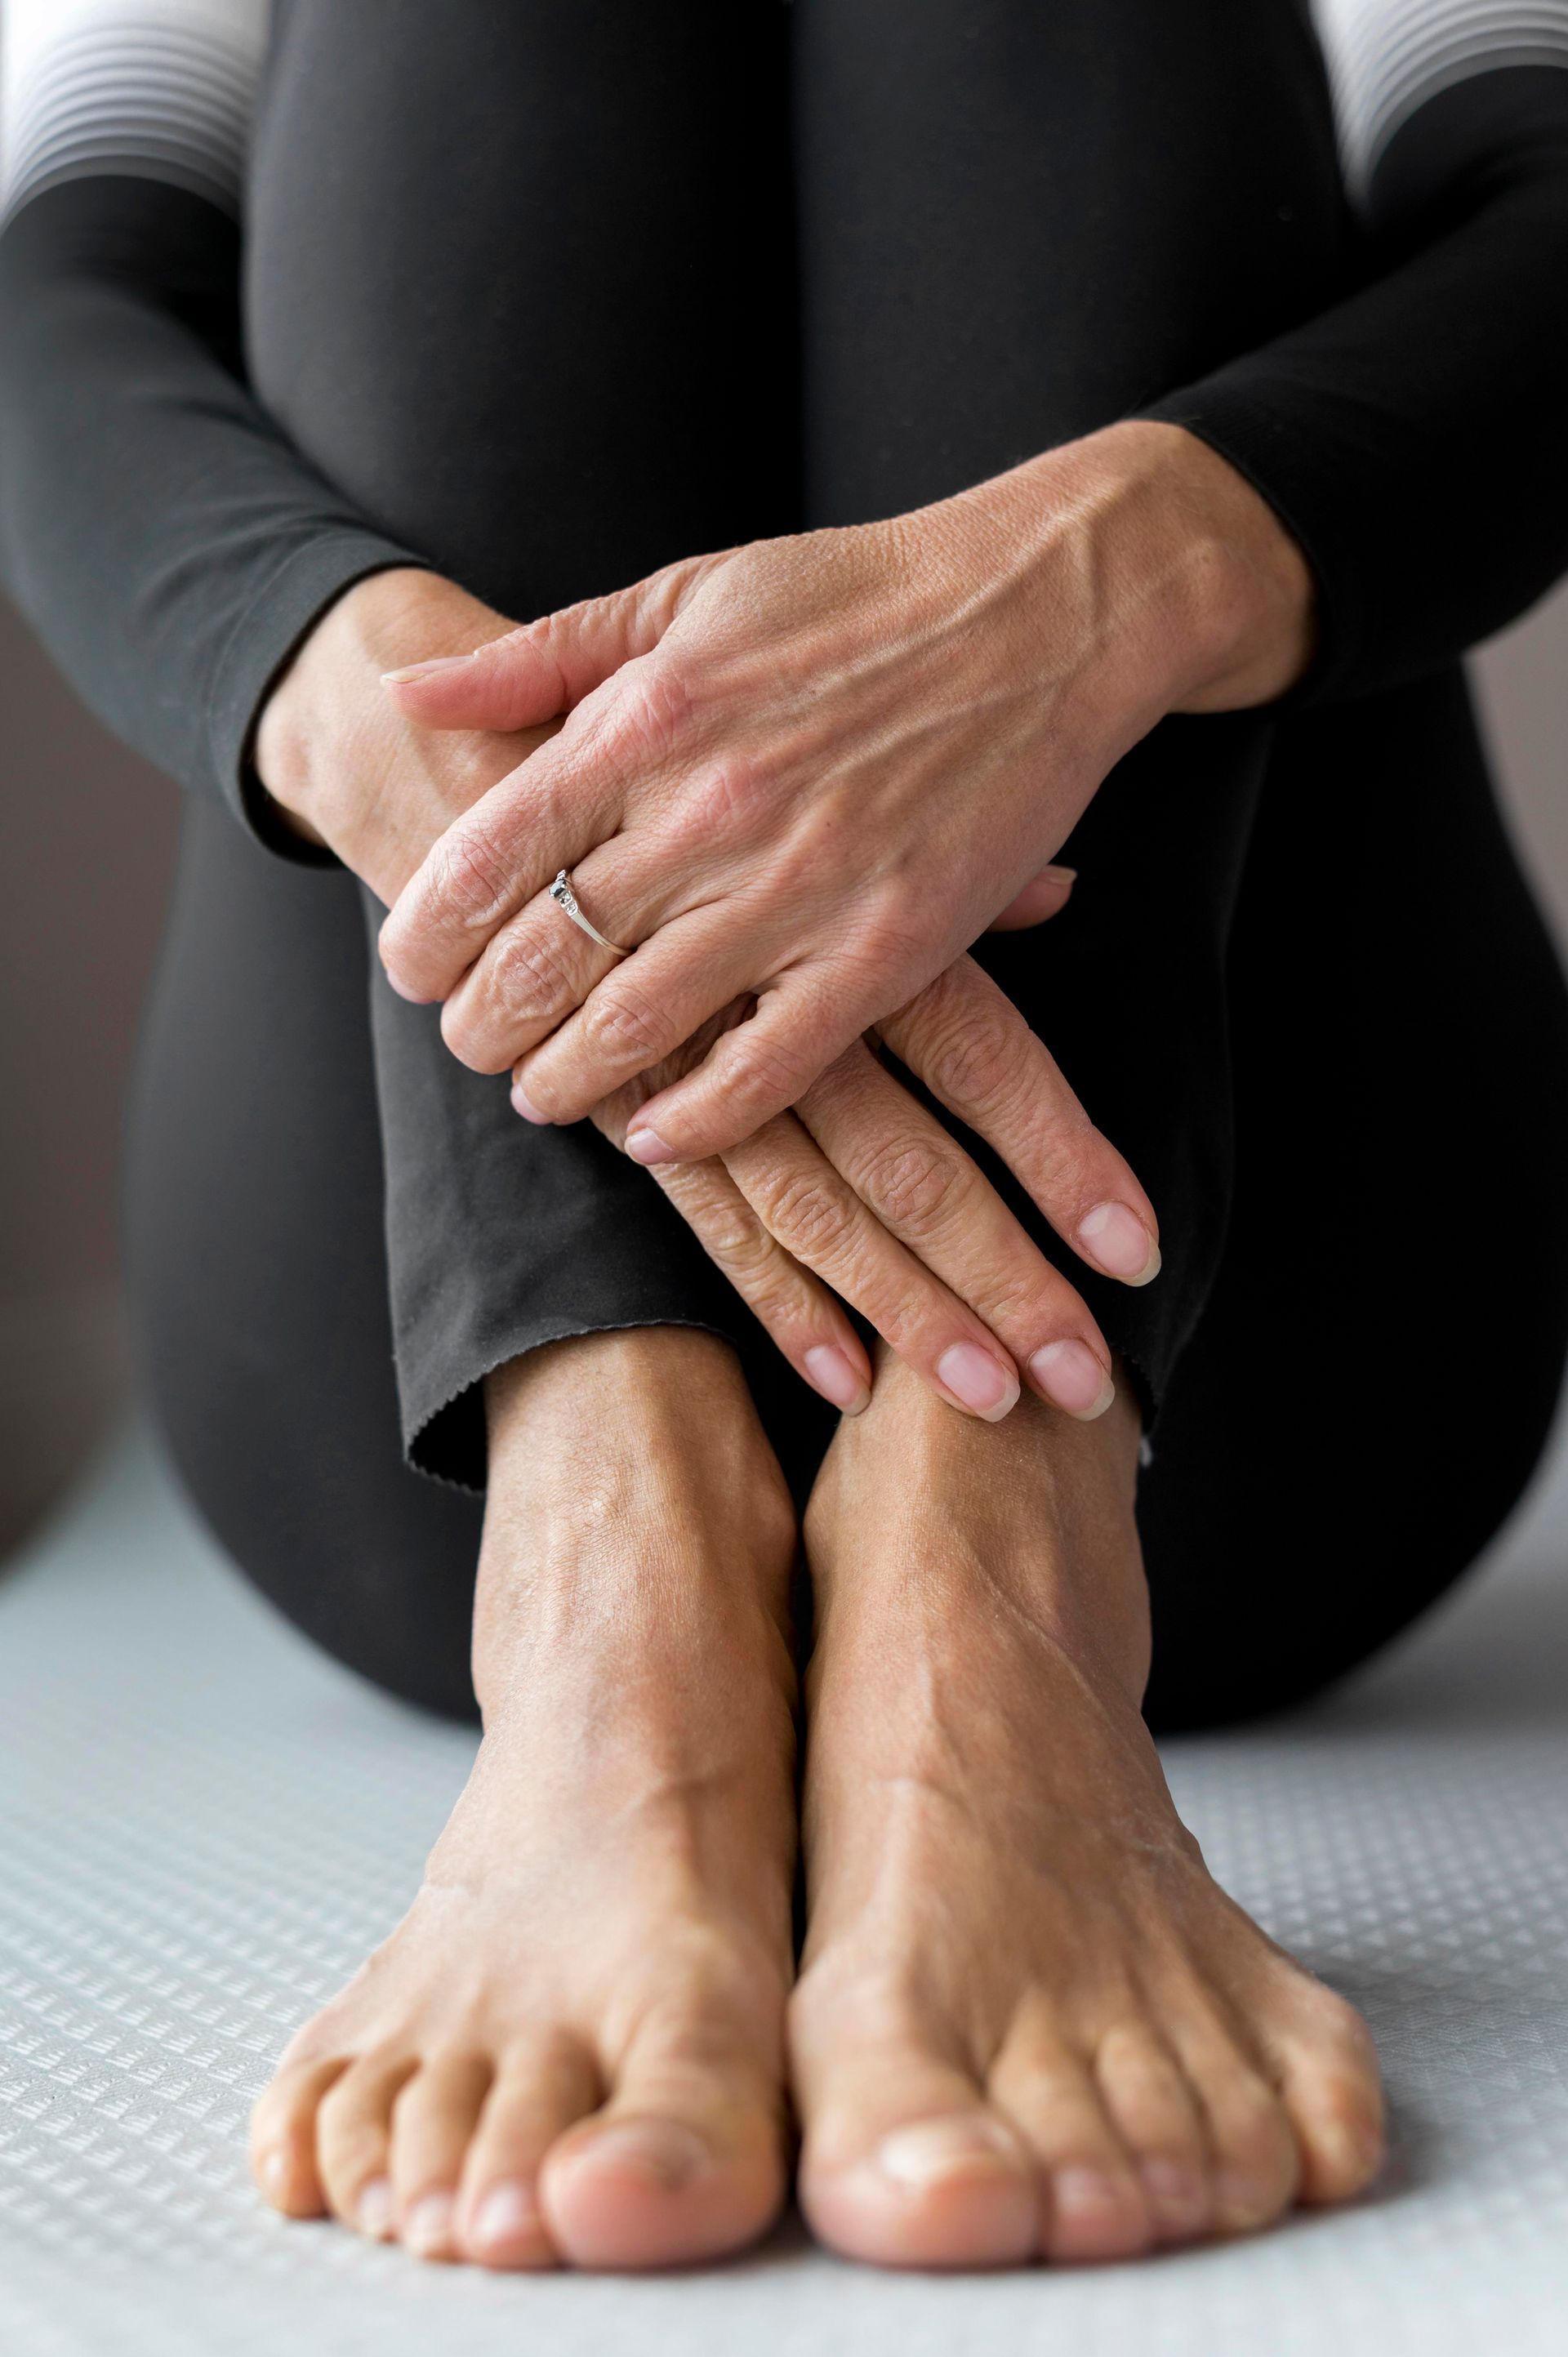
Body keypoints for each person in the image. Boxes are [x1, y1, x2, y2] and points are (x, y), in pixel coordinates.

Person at [2, 0, 1567, 2277]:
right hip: (413, 1376)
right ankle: (607, 1554)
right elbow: (52, 303)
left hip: (1246, 1370)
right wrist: (403, 728)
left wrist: (1081, 591)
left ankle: (997, 1556)